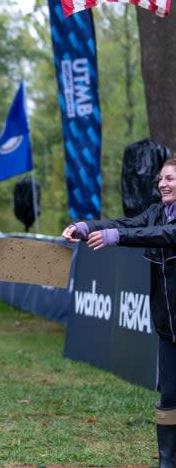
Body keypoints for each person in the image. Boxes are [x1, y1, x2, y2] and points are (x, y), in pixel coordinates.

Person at [62, 157, 176, 468]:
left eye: (170, 178)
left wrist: (118, 238)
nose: (163, 184)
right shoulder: (157, 211)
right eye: (161, 179)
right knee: (169, 398)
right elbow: (129, 224)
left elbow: (166, 235)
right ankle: (167, 462)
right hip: (168, 325)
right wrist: (86, 227)